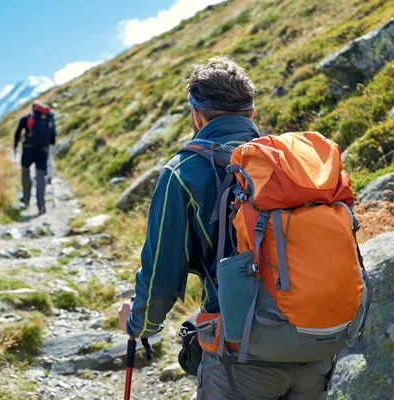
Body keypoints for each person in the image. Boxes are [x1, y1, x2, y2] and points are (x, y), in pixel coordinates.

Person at [119, 57, 334, 399]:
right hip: (318, 341)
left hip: (242, 354)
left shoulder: (182, 172)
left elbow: (162, 275)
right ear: (251, 114)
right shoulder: (293, 164)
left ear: (196, 115)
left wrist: (139, 324)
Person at [14, 102, 57, 215]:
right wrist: (51, 147)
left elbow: (18, 132)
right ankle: (41, 204)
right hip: (43, 150)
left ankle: (26, 198)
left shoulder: (26, 119)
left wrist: (15, 145)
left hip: (28, 149)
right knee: (40, 176)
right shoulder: (49, 119)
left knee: (25, 171)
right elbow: (53, 135)